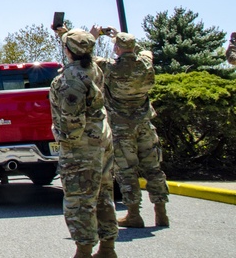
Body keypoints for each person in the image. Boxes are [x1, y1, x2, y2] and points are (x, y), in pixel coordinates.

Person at [50, 27, 118, 258]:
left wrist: (64, 141)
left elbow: (71, 121)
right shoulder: (94, 69)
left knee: (80, 200)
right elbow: (81, 46)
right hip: (102, 139)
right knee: (103, 194)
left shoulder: (69, 79)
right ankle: (107, 248)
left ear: (68, 51)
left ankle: (84, 251)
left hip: (80, 147)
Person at [95, 28, 170, 228]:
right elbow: (146, 51)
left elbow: (83, 55)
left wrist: (94, 36)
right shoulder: (145, 64)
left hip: (121, 128)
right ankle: (161, 212)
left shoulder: (110, 67)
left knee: (126, 171)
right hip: (145, 125)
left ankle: (134, 214)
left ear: (117, 48)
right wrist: (121, 35)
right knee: (153, 168)